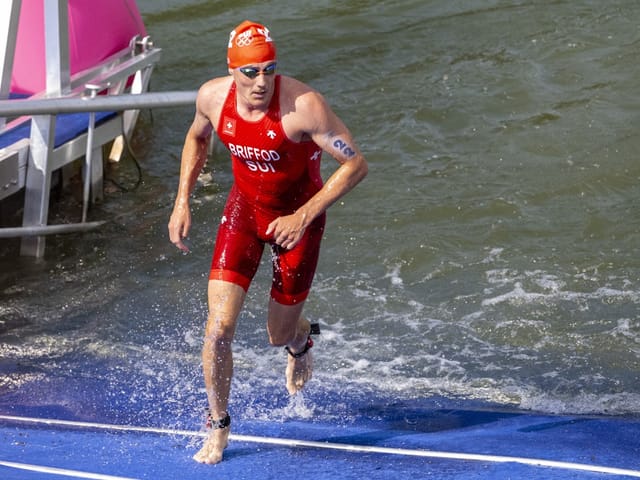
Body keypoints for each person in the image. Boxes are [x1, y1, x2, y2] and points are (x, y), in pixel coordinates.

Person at [168, 20, 368, 465]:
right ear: (232, 70)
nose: (262, 82)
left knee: (277, 335)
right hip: (243, 214)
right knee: (218, 329)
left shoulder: (304, 106)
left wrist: (303, 215)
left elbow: (355, 165)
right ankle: (218, 426)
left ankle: (303, 338)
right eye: (251, 72)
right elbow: (197, 137)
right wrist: (182, 201)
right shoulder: (212, 97)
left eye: (270, 70)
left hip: (299, 220)